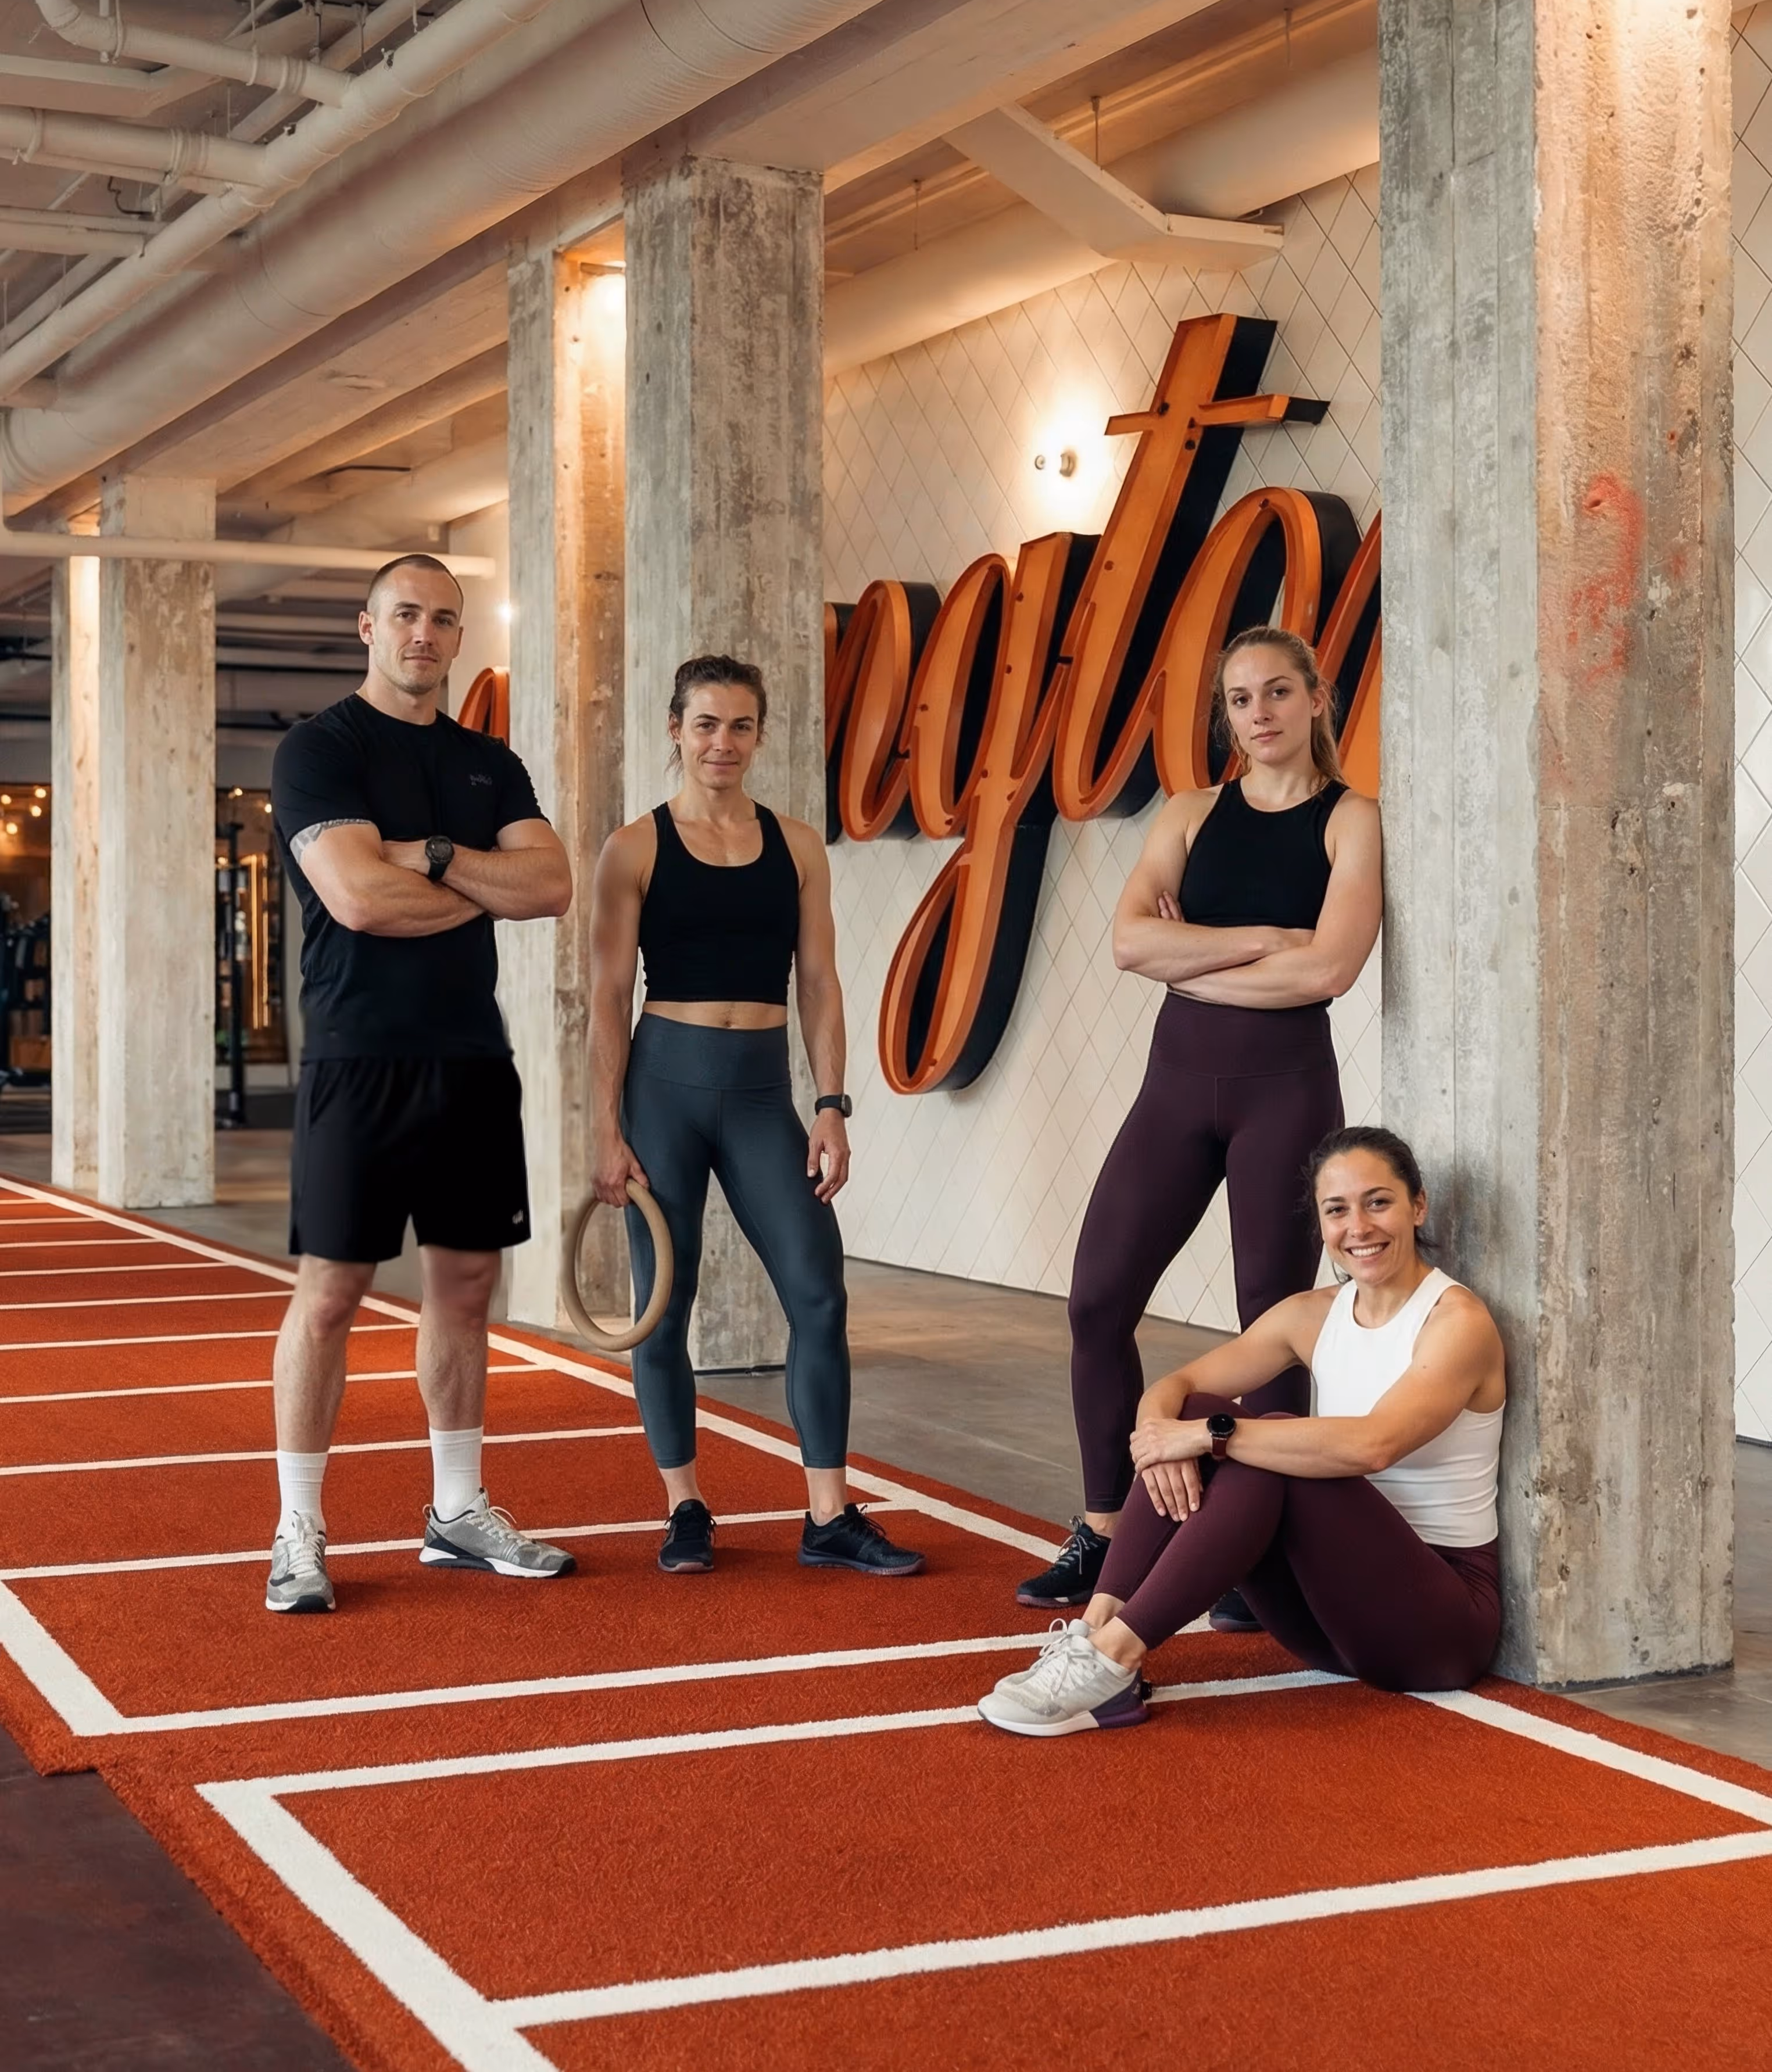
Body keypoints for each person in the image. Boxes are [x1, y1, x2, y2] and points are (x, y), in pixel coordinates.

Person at [1019, 626, 1383, 1625]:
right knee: (1095, 1302)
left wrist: (1197, 951)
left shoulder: (1352, 821)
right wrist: (1266, 936)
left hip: (1286, 1096)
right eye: (1236, 700)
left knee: (1269, 1331)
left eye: (1274, 693)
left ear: (1316, 699)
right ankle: (1101, 1531)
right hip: (1171, 1092)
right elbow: (1130, 945)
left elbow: (1330, 971)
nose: (1256, 715)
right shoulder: (1185, 814)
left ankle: (1249, 1558)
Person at [264, 553, 575, 1614]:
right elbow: (356, 899)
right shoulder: (321, 750)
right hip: (359, 1056)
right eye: (405, 616)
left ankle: (454, 1511)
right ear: (366, 625)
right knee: (331, 1295)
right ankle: (298, 1527)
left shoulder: (488, 762)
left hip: (471, 1061)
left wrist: (434, 858)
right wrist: (479, 885)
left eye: (444, 620)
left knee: (464, 1289)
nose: (424, 635)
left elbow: (552, 884)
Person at [980, 1127, 1504, 1734]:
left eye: (1378, 1201)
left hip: (1435, 1627)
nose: (1358, 1226)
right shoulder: (1312, 1314)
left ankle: (1114, 1656)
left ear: (1418, 1204)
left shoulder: (1456, 1321)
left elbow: (1372, 1443)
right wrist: (1162, 1433)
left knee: (1256, 1436)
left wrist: (1208, 1435)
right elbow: (1173, 1388)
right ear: (1321, 1222)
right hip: (1331, 1626)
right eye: (1337, 1209)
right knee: (1204, 1410)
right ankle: (1099, 1628)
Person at [586, 653, 923, 1576]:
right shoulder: (636, 846)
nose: (721, 743)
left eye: (739, 726)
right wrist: (603, 1128)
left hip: (764, 1091)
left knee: (818, 1292)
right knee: (665, 1306)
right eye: (704, 724)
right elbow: (608, 996)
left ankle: (828, 1512)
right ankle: (685, 1505)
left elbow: (819, 981)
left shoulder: (798, 845)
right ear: (675, 730)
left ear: (760, 734)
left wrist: (832, 1103)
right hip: (664, 1085)